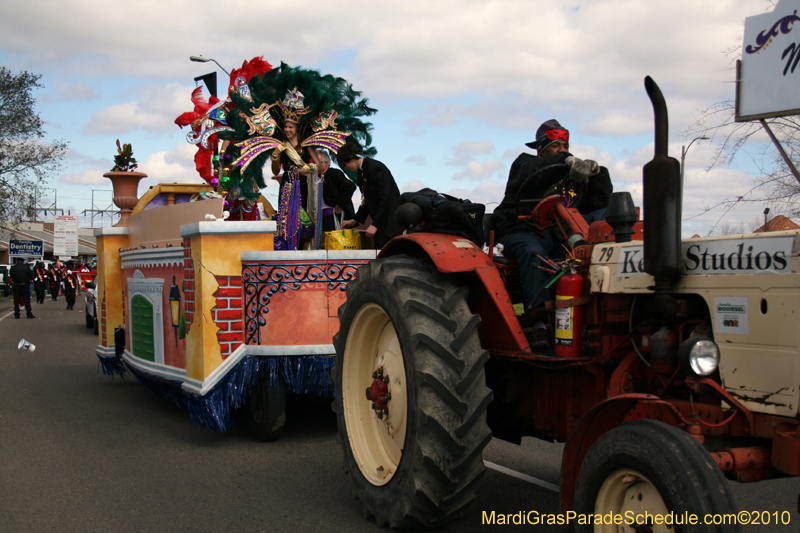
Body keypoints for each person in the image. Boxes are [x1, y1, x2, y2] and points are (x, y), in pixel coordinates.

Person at [492, 119, 613, 349]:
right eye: (556, 146)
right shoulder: (525, 164)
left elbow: (594, 205)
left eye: (565, 146)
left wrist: (596, 174)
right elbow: (535, 173)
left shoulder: (572, 176)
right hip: (523, 230)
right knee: (534, 254)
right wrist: (564, 161)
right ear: (542, 148)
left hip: (559, 235)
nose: (563, 150)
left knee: (602, 219)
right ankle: (538, 324)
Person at [337, 142, 403, 249]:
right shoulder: (362, 172)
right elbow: (368, 200)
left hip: (389, 225)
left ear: (351, 159)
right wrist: (354, 220)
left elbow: (385, 199)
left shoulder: (376, 168)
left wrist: (375, 224)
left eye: (345, 164)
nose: (346, 168)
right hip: (381, 225)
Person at [317, 150, 356, 232]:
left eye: (317, 162)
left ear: (326, 163)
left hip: (332, 215)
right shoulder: (314, 178)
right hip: (318, 217)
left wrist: (340, 205)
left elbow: (350, 186)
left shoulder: (333, 173)